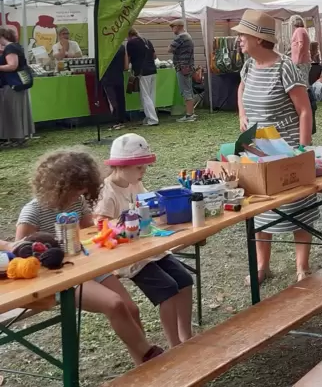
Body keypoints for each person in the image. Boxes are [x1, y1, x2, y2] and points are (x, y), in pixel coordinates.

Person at [15, 149, 162, 365]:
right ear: (58, 187)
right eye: (75, 192)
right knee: (114, 304)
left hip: (85, 267)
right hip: (58, 278)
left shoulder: (77, 203)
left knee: (131, 308)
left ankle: (143, 362)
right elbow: (20, 256)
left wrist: (110, 235)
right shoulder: (33, 212)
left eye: (82, 192)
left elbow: (91, 234)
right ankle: (151, 356)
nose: (79, 197)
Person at [234, 10, 317, 283]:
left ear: (258, 38)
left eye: (243, 35)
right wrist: (242, 114)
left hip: (286, 148)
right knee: (260, 205)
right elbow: (241, 89)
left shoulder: (285, 67)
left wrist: (302, 152)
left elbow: (304, 111)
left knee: (297, 206)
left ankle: (302, 267)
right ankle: (262, 265)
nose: (239, 40)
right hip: (256, 147)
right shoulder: (248, 66)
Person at [95, 134, 194, 348]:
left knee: (185, 281)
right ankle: (175, 344)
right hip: (128, 257)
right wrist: (120, 228)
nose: (144, 172)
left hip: (149, 249)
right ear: (122, 166)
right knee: (167, 290)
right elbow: (99, 224)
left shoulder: (134, 183)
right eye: (139, 168)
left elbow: (149, 206)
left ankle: (187, 335)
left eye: (144, 167)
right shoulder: (108, 192)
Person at [0, 26, 34, 145]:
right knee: (12, 110)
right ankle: (15, 137)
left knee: (14, 111)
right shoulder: (12, 47)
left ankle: (18, 137)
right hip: (13, 84)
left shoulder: (10, 47)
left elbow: (12, 65)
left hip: (13, 83)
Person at [125, 28, 159, 126]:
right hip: (152, 69)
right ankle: (149, 117)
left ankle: (152, 119)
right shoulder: (146, 40)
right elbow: (154, 56)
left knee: (145, 96)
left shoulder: (130, 43)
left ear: (128, 35)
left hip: (142, 71)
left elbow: (128, 58)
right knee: (151, 95)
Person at [168, 19, 196, 122]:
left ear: (179, 26)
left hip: (182, 67)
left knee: (185, 91)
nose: (172, 30)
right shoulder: (188, 36)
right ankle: (191, 113)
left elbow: (169, 49)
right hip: (188, 67)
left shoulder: (181, 37)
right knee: (188, 90)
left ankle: (189, 115)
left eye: (173, 27)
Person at [103, 41, 128, 131]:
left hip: (107, 77)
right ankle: (121, 120)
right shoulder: (121, 47)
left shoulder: (104, 47)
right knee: (120, 98)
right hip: (119, 76)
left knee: (112, 100)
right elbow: (126, 66)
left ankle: (115, 121)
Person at [289, 15, 312, 83]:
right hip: (302, 60)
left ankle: (307, 93)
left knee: (302, 81)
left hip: (301, 61)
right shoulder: (302, 30)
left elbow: (301, 45)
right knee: (302, 81)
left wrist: (298, 59)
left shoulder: (299, 30)